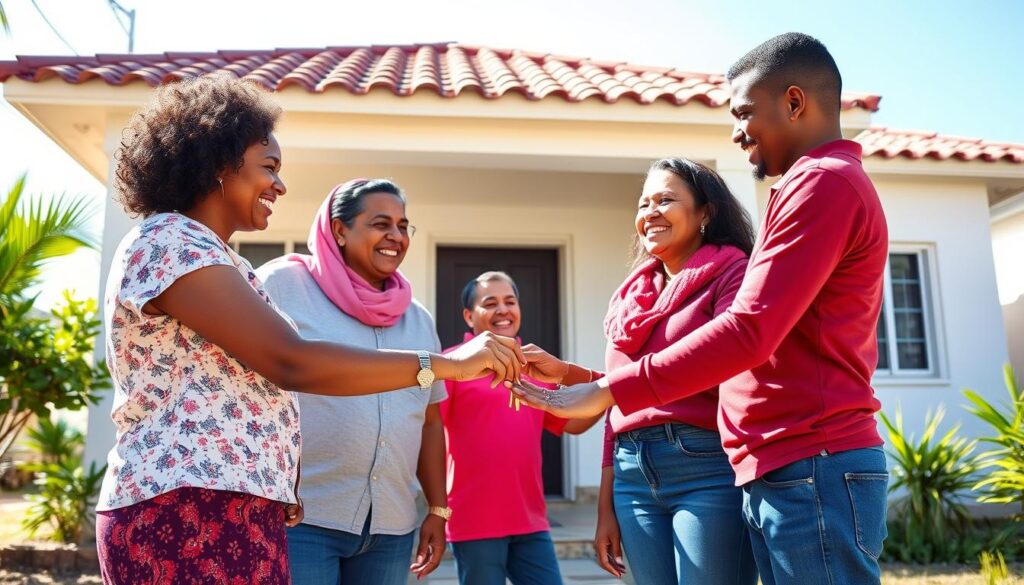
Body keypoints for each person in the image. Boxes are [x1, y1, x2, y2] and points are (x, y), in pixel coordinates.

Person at [95, 75, 524, 585]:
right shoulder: (172, 243)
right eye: (268, 168)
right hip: (184, 505)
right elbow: (290, 360)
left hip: (237, 503)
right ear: (218, 166)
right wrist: (446, 365)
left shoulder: (217, 257)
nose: (279, 185)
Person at [515, 33, 890, 585]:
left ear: (793, 102)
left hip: (811, 460)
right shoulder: (809, 184)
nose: (737, 132)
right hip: (781, 464)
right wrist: (589, 380)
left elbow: (749, 331)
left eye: (744, 113)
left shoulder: (821, 183)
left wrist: (608, 389)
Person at [523, 159, 758, 584]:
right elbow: (620, 405)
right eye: (643, 202)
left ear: (706, 211)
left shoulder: (734, 273)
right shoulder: (631, 295)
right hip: (631, 473)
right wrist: (605, 507)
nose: (650, 212)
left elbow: (720, 358)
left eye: (666, 200)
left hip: (706, 465)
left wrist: (605, 388)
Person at [255, 178, 450, 584]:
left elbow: (430, 421)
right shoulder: (283, 287)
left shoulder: (418, 317)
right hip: (302, 519)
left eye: (402, 226)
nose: (395, 237)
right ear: (339, 229)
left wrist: (437, 508)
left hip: (391, 527)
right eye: (381, 224)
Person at [439, 272, 601, 585]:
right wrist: (436, 508)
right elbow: (428, 433)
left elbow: (573, 423)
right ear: (469, 316)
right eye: (491, 303)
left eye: (509, 301)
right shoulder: (451, 365)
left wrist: (610, 393)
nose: (503, 310)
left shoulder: (535, 368)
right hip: (475, 522)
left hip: (531, 522)